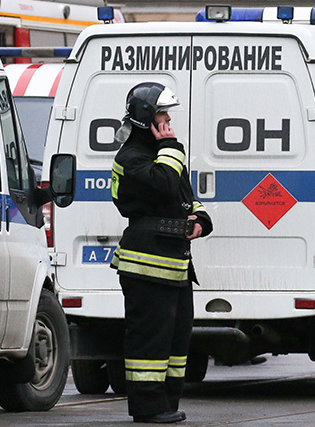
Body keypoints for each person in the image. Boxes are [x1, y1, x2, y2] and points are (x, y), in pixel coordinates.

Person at [110, 82, 213, 423]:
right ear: (146, 120)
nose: (169, 125)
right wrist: (169, 147)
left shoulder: (164, 155)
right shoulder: (131, 158)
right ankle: (148, 407)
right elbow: (164, 184)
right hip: (146, 264)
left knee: (176, 342)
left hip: (175, 264)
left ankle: (168, 402)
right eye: (162, 119)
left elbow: (183, 196)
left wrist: (201, 219)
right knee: (149, 343)